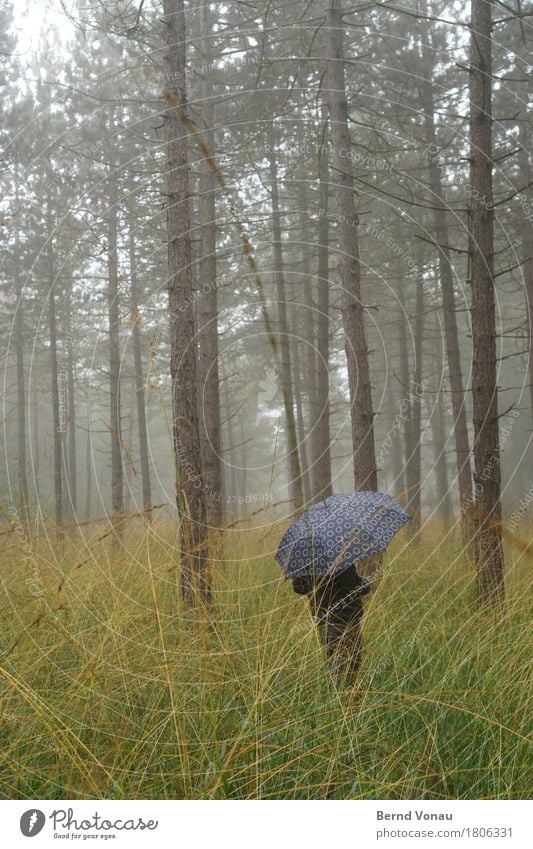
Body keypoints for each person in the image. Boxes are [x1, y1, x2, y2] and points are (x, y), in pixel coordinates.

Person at [292, 565, 371, 687]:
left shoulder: (306, 558)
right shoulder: (340, 558)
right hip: (345, 620)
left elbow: (298, 587)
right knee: (350, 665)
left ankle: (339, 695)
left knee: (334, 659)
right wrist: (366, 583)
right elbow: (355, 587)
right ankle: (345, 698)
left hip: (322, 620)